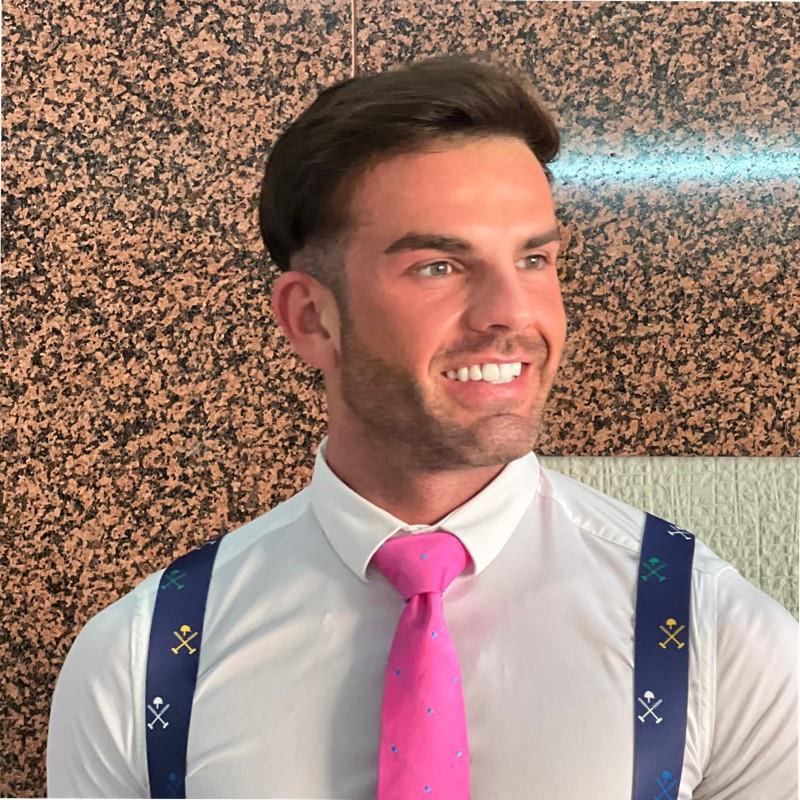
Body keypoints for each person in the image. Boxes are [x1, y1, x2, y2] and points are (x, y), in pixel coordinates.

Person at [47, 53, 797, 799]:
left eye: (534, 259)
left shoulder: (720, 637)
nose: (512, 312)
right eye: (439, 265)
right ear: (311, 319)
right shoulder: (139, 660)